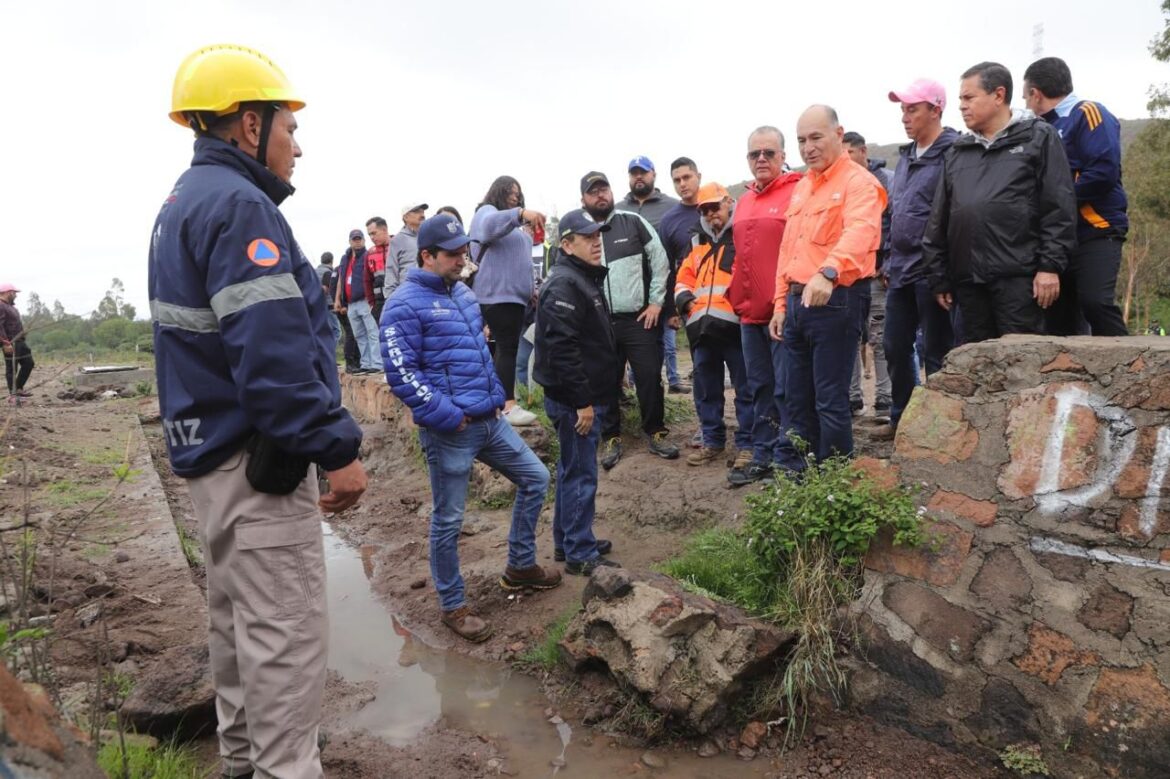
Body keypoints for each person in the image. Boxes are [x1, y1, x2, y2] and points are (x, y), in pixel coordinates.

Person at [152, 44, 367, 779]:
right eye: (289, 127)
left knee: (240, 639)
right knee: (284, 651)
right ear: (249, 125)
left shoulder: (183, 202)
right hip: (257, 470)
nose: (297, 145)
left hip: (212, 464)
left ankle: (243, 765)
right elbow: (273, 359)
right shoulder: (242, 207)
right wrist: (335, 446)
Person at [380, 214, 560, 641]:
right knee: (449, 520)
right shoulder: (403, 305)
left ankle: (519, 566)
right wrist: (447, 414)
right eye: (453, 252)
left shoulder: (462, 292)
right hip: (450, 430)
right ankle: (453, 605)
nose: (463, 257)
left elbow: (480, 354)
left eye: (464, 249)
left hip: (489, 420)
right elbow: (401, 373)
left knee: (536, 477)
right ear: (426, 256)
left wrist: (496, 398)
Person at [923, 62, 1077, 342]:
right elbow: (940, 217)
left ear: (998, 95)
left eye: (969, 97)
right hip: (968, 281)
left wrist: (1050, 266)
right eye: (960, 99)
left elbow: (1058, 206)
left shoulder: (1038, 137)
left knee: (1021, 366)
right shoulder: (958, 150)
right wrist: (939, 276)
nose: (961, 106)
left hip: (1019, 280)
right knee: (976, 368)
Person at [768, 106, 886, 465]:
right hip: (797, 301)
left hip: (837, 299)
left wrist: (829, 272)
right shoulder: (803, 187)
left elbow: (861, 231)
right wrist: (779, 304)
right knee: (796, 397)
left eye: (816, 137)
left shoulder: (859, 182)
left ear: (839, 134)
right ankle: (799, 481)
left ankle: (835, 484)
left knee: (830, 400)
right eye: (802, 140)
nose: (808, 148)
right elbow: (789, 250)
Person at [533, 209, 621, 575]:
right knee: (582, 473)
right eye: (588, 238)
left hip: (581, 396)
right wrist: (583, 402)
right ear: (566, 244)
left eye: (598, 236)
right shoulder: (566, 284)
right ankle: (579, 552)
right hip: (576, 401)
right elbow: (561, 348)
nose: (597, 243)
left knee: (573, 470)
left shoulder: (578, 278)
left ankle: (567, 540)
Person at [1023, 56, 1129, 337]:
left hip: (1096, 228)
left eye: (1025, 97)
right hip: (1056, 239)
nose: (1026, 106)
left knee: (1095, 302)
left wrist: (1055, 201)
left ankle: (1133, 368)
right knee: (1057, 316)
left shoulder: (1088, 112)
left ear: (1035, 94)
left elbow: (1103, 172)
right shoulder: (1037, 131)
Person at [580, 171, 677, 468]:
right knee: (605, 381)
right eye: (593, 191)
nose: (600, 195)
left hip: (638, 318)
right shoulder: (580, 233)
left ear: (611, 191)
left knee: (648, 376)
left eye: (604, 189)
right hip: (599, 323)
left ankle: (656, 431)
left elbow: (661, 262)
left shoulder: (633, 221)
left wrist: (655, 302)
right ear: (583, 198)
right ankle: (611, 436)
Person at [880, 79, 960, 439]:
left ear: (936, 109)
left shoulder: (955, 152)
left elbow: (956, 213)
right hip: (900, 271)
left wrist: (944, 269)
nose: (905, 117)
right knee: (895, 345)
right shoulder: (905, 157)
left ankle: (939, 427)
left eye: (912, 109)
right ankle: (903, 420)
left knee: (937, 351)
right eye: (902, 110)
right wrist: (885, 257)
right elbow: (892, 211)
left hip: (934, 271)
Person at [727, 126, 803, 485]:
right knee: (758, 385)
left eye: (769, 153)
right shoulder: (743, 201)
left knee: (785, 387)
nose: (761, 159)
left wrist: (784, 302)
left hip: (781, 309)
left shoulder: (797, 191)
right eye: (754, 153)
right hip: (748, 312)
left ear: (783, 156)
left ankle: (790, 456)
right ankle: (764, 451)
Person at [673, 185, 752, 472]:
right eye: (705, 209)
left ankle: (747, 444)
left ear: (728, 203)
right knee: (706, 388)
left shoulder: (743, 234)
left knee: (746, 388)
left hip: (735, 327)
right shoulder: (696, 241)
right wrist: (684, 301)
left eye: (715, 207)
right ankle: (712, 440)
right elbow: (684, 277)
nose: (710, 213)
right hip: (702, 328)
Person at [468, 176, 547, 426]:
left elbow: (518, 259)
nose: (515, 196)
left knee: (503, 349)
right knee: (506, 348)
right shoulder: (486, 212)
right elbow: (489, 226)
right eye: (511, 192)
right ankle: (508, 406)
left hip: (514, 297)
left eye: (518, 193)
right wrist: (522, 212)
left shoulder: (512, 226)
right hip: (496, 295)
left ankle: (496, 402)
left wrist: (531, 288)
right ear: (498, 192)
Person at [842, 131, 893, 417]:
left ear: (863, 152)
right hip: (847, 277)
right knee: (850, 340)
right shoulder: (839, 184)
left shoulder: (885, 181)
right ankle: (852, 398)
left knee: (880, 339)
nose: (845, 159)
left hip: (876, 276)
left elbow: (894, 224)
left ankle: (884, 399)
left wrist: (887, 265)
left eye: (849, 153)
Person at [657, 157, 705, 397]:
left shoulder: (718, 206)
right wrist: (671, 309)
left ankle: (749, 425)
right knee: (701, 362)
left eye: (687, 177)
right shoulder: (669, 221)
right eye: (677, 180)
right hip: (690, 302)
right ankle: (707, 427)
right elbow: (665, 267)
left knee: (738, 362)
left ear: (699, 176)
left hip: (727, 299)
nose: (682, 184)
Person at [336, 229, 380, 372]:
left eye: (359, 239)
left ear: (364, 240)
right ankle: (366, 364)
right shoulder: (345, 258)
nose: (357, 241)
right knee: (359, 335)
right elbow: (341, 279)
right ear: (350, 241)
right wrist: (338, 299)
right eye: (354, 239)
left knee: (372, 332)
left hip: (364, 300)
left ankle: (377, 364)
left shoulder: (368, 255)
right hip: (350, 303)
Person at [387, 202, 427, 303]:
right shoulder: (397, 240)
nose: (422, 214)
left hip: (430, 291)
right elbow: (391, 269)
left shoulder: (429, 235)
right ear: (406, 217)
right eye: (417, 211)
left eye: (422, 211)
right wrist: (391, 299)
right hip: (408, 296)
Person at [0, 284, 33, 398]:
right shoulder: (0, 305)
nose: (15, 295)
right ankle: (13, 395)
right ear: (7, 292)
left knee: (29, 363)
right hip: (10, 342)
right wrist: (5, 343)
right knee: (12, 368)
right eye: (14, 293)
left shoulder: (11, 307)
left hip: (20, 341)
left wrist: (23, 332)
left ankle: (18, 388)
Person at [363, 216, 391, 322]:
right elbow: (367, 280)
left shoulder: (398, 245)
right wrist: (372, 305)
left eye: (374, 233)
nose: (371, 237)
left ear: (384, 230)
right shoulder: (369, 253)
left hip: (400, 298)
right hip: (379, 304)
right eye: (369, 234)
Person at [314, 252, 342, 349]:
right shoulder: (329, 273)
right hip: (328, 306)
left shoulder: (313, 272)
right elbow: (325, 289)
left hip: (315, 307)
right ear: (332, 261)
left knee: (321, 332)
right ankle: (329, 356)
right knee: (336, 331)